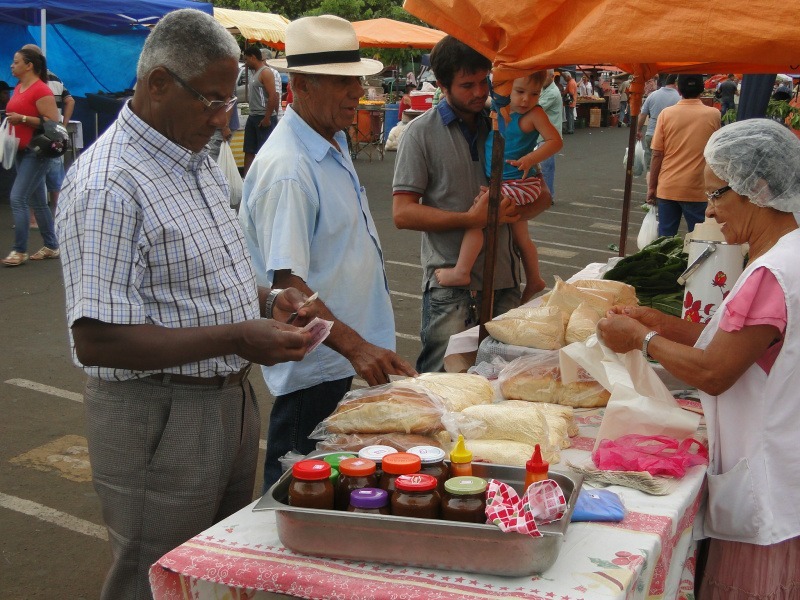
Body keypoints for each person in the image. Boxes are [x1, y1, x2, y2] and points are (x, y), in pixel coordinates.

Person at [55, 10, 315, 599]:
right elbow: (96, 338)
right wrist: (238, 336)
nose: (223, 118)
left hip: (227, 403)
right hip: (160, 414)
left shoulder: (194, 158)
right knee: (155, 573)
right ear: (158, 83)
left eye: (229, 101)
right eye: (212, 101)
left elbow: (198, 283)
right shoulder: (108, 184)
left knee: (215, 568)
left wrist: (268, 301)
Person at [597, 119, 800, 600]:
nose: (709, 209)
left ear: (758, 188)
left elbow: (714, 371)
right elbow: (733, 344)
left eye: (716, 194)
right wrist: (657, 321)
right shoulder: (785, 254)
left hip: (767, 472)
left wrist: (642, 339)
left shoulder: (773, 272)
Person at [238, 15, 417, 490]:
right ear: (301, 85)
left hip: (347, 362)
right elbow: (288, 287)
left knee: (339, 491)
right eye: (341, 81)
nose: (356, 91)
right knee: (298, 490)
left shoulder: (330, 139)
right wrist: (357, 347)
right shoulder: (289, 168)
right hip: (318, 372)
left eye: (355, 79)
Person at [392, 36, 543, 372]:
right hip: (451, 289)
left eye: (483, 81)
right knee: (442, 384)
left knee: (500, 383)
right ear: (442, 85)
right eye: (466, 85)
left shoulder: (504, 123)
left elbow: (541, 197)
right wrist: (469, 218)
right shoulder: (420, 133)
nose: (479, 92)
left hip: (505, 281)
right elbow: (402, 213)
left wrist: (515, 209)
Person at [435, 71, 562, 302]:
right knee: (521, 237)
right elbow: (483, 100)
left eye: (534, 94)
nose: (526, 99)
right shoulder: (499, 107)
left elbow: (555, 141)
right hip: (506, 181)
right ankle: (535, 279)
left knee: (478, 216)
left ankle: (461, 271)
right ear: (506, 89)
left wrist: (531, 159)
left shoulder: (534, 114)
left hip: (520, 183)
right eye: (520, 91)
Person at [2, 47, 60, 267]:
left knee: (18, 198)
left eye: (16, 62)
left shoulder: (41, 90)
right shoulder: (19, 87)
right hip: (20, 149)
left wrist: (23, 119)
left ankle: (19, 250)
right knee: (38, 201)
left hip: (36, 153)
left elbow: (53, 122)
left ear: (29, 66)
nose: (12, 65)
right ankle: (51, 245)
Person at [648, 74, 721, 236]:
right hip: (698, 189)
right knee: (699, 238)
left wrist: (652, 187)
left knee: (665, 241)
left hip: (668, 186)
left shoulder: (666, 114)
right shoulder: (714, 114)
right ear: (702, 90)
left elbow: (657, 154)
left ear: (679, 90)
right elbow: (716, 153)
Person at [22, 44, 75, 228]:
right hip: (54, 136)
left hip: (37, 136)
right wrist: (63, 125)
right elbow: (70, 100)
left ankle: (32, 219)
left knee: (32, 179)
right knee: (55, 181)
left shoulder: (33, 81)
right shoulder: (55, 78)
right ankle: (58, 218)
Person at [241, 45, 279, 175]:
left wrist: (267, 118)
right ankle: (246, 179)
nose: (246, 63)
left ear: (253, 57)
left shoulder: (265, 72)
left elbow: (273, 96)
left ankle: (267, 177)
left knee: (266, 152)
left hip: (263, 117)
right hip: (253, 116)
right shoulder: (254, 73)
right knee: (249, 150)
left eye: (246, 59)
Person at [637, 74, 680, 172]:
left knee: (651, 166)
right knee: (667, 166)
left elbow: (643, 115)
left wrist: (638, 130)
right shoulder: (679, 97)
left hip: (651, 133)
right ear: (676, 83)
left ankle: (650, 180)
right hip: (670, 135)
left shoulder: (653, 95)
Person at [536, 69, 564, 201]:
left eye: (544, 76)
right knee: (544, 167)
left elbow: (537, 107)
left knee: (546, 167)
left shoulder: (552, 92)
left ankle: (547, 197)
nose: (541, 78)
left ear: (552, 76)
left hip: (549, 136)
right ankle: (546, 195)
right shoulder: (545, 89)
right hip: (544, 134)